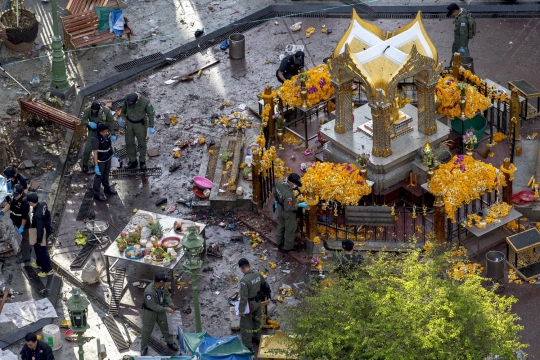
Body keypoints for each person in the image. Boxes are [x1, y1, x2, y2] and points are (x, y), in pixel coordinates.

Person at [140, 273, 179, 356]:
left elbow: (166, 296)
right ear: (160, 282)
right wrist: (166, 309)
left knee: (165, 327)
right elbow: (152, 306)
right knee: (147, 330)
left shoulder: (162, 287)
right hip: (150, 312)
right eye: (164, 282)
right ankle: (144, 346)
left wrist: (170, 304)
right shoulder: (149, 292)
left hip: (160, 311)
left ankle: (170, 342)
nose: (166, 283)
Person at [119, 92, 155, 170]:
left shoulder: (145, 102)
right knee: (129, 143)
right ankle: (133, 161)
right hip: (129, 123)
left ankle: (142, 161)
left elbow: (150, 114)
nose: (130, 104)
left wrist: (151, 125)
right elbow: (124, 108)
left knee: (142, 143)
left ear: (137, 100)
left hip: (140, 124)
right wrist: (122, 116)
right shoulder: (127, 98)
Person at [238, 258, 267, 351]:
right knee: (257, 320)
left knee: (245, 325)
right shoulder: (258, 274)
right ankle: (257, 338)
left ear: (241, 268)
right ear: (249, 265)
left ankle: (247, 346)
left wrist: (241, 310)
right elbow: (264, 285)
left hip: (249, 305)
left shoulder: (244, 280)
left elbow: (243, 297)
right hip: (258, 301)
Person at [273, 173, 307, 253]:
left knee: (281, 226)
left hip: (280, 208)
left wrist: (277, 201)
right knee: (290, 229)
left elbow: (275, 192)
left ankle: (278, 242)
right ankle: (288, 247)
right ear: (291, 183)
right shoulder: (288, 194)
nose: (295, 186)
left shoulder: (279, 182)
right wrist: (298, 205)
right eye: (295, 184)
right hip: (287, 213)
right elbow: (289, 208)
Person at [80, 102, 116, 173]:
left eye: (95, 111)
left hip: (103, 132)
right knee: (88, 149)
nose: (93, 112)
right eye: (92, 111)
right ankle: (85, 164)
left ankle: (110, 160)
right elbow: (83, 120)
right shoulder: (88, 110)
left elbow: (110, 122)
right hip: (93, 132)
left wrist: (112, 133)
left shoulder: (106, 111)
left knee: (108, 147)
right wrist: (89, 123)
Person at [0, 184, 31, 264]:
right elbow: (9, 204)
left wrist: (22, 227)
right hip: (15, 221)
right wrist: (3, 211)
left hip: (23, 224)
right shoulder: (13, 197)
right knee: (16, 235)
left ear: (21, 194)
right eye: (14, 195)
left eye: (16, 195)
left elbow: (24, 217)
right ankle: (16, 245)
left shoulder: (24, 202)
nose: (14, 197)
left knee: (25, 240)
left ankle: (26, 257)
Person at [27, 192, 54, 277]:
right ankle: (39, 263)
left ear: (31, 202)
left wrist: (39, 240)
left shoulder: (38, 215)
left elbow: (40, 228)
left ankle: (48, 269)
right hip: (43, 228)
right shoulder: (43, 204)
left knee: (42, 251)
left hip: (41, 233)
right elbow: (48, 214)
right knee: (37, 250)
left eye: (28, 201)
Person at [92, 123, 117, 201]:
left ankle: (106, 188)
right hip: (100, 160)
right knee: (99, 177)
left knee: (106, 174)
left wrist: (112, 153)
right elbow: (95, 153)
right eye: (104, 132)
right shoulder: (96, 139)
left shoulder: (107, 135)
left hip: (108, 158)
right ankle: (96, 193)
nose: (105, 133)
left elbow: (109, 145)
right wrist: (96, 165)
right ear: (100, 131)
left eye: (106, 131)